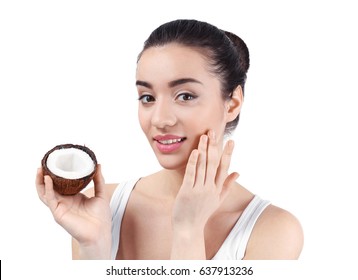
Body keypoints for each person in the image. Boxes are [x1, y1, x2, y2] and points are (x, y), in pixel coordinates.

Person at [36, 19, 304, 260]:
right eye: (148, 98)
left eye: (185, 96)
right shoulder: (103, 205)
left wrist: (189, 230)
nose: (160, 119)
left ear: (232, 103)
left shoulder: (274, 231)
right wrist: (93, 250)